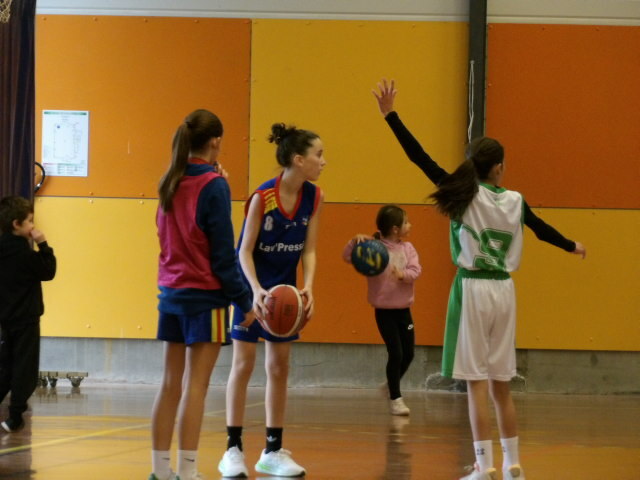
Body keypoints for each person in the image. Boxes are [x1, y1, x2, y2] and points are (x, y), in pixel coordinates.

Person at [373, 79, 586, 480]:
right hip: (504, 290)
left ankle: (484, 467)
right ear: (499, 167)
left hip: (472, 288)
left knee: (476, 385)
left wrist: (391, 116)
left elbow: (419, 157)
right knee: (502, 383)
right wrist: (572, 245)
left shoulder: (462, 194)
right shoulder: (516, 200)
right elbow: (542, 230)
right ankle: (514, 465)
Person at [150, 109, 255, 480]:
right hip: (204, 297)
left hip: (171, 293)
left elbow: (168, 237)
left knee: (169, 385)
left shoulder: (170, 179)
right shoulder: (214, 186)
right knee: (195, 387)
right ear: (216, 141)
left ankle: (160, 471)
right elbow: (223, 257)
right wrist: (245, 301)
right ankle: (188, 471)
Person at [218, 122, 325, 478]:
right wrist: (255, 291)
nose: (324, 161)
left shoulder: (315, 197)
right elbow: (244, 251)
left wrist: (308, 287)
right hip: (251, 289)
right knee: (243, 364)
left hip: (284, 293)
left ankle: (273, 451)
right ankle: (232, 449)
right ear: (298, 159)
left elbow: (309, 250)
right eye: (318, 154)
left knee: (279, 368)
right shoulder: (262, 198)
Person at [342, 205, 421, 416]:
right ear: (395, 229)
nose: (410, 225)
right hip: (384, 312)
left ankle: (390, 384)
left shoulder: (408, 249)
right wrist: (354, 242)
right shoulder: (373, 247)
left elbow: (416, 270)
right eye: (406, 222)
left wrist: (403, 275)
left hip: (404, 312)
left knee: (409, 354)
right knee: (395, 353)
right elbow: (348, 257)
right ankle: (396, 398)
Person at [0, 196, 57, 433]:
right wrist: (43, 244)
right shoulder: (26, 255)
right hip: (27, 319)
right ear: (17, 224)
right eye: (30, 221)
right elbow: (49, 271)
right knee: (25, 368)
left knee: (5, 366)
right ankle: (15, 416)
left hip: (5, 319)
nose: (33, 226)